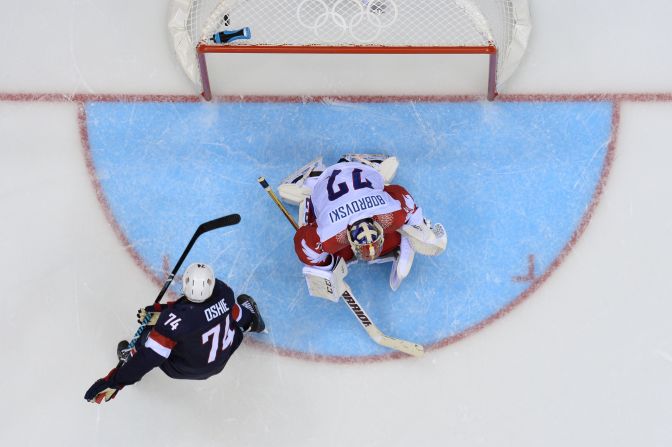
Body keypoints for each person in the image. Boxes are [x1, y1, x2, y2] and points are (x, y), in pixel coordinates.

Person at [84, 263, 265, 404]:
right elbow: (219, 314)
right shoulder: (224, 293)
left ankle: (129, 356)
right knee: (233, 314)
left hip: (186, 368)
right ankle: (252, 321)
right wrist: (164, 313)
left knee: (149, 336)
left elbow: (148, 358)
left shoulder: (173, 323)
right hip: (222, 357)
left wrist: (116, 381)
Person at [280, 154, 447, 298]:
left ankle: (354, 167)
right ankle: (313, 179)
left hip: (355, 188)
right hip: (331, 184)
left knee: (330, 250)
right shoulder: (333, 234)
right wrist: (327, 269)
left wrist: (326, 267)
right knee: (326, 242)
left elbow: (304, 246)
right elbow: (304, 245)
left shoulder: (330, 236)